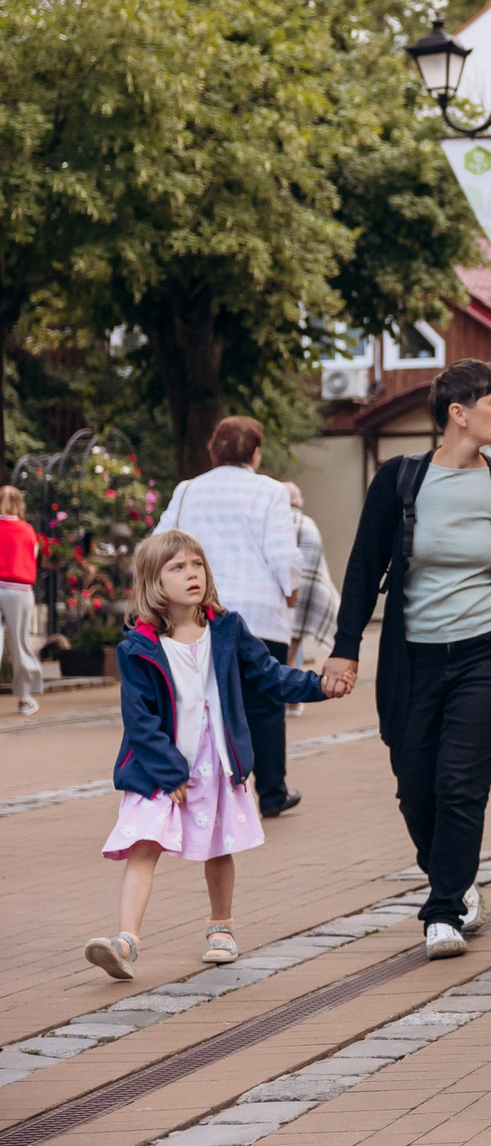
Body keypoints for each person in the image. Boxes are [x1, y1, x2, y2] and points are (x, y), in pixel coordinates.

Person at [323, 361, 491, 955]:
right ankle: (456, 882)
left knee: (460, 785)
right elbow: (362, 569)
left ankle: (442, 913)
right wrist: (344, 650)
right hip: (413, 661)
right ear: (459, 413)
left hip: (489, 657)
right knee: (416, 791)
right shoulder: (400, 480)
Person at [86, 530, 335, 979]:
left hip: (215, 760)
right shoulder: (138, 648)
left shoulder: (227, 629)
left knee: (218, 847)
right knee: (143, 845)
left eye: (196, 564)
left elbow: (270, 676)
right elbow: (139, 720)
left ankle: (221, 927)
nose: (191, 574)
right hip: (158, 765)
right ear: (153, 582)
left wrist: (319, 685)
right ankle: (125, 941)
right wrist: (169, 772)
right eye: (177, 568)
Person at [156, 418, 304, 818]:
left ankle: (207, 788)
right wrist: (290, 594)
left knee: (204, 700)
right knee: (266, 703)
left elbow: (159, 543)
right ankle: (272, 791)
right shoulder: (271, 491)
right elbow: (282, 555)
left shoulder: (187, 491)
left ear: (212, 450)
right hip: (259, 614)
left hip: (199, 615)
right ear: (256, 453)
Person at [281, 483, 339, 717]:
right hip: (304, 592)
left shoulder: (275, 520)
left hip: (280, 591)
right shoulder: (307, 523)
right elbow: (316, 564)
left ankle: (290, 697)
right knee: (292, 648)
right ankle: (291, 699)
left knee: (284, 650)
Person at [1, 485, 41, 715]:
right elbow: (33, 558)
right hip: (19, 589)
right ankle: (25, 698)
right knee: (20, 643)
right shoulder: (27, 531)